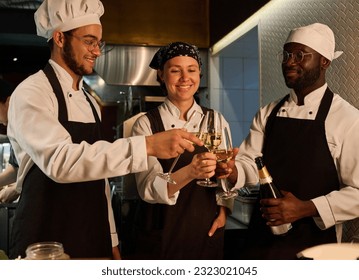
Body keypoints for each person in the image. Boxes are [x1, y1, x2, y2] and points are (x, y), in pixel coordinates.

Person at [7, 0, 202, 260]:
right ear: (59, 38)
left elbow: (99, 179)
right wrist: (147, 145)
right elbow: (60, 162)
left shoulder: (89, 100)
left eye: (99, 43)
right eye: (89, 41)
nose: (96, 51)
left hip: (91, 232)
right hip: (46, 235)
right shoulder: (33, 92)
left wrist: (110, 237)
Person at [222, 22, 359, 259]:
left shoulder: (348, 119)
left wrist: (306, 208)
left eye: (300, 55)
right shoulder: (268, 113)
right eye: (286, 54)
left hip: (316, 247)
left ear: (324, 61)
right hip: (261, 241)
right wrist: (232, 171)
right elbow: (250, 164)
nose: (289, 62)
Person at [131, 42, 234, 259]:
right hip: (162, 231)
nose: (185, 78)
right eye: (175, 70)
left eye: (191, 70)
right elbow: (147, 188)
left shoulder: (216, 119)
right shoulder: (146, 124)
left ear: (200, 75)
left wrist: (224, 211)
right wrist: (191, 172)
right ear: (161, 75)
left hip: (206, 229)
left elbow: (224, 179)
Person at [0, 78, 19, 204]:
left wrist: (17, 188)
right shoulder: (13, 127)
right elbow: (16, 167)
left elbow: (43, 167)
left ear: (8, 101)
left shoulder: (26, 124)